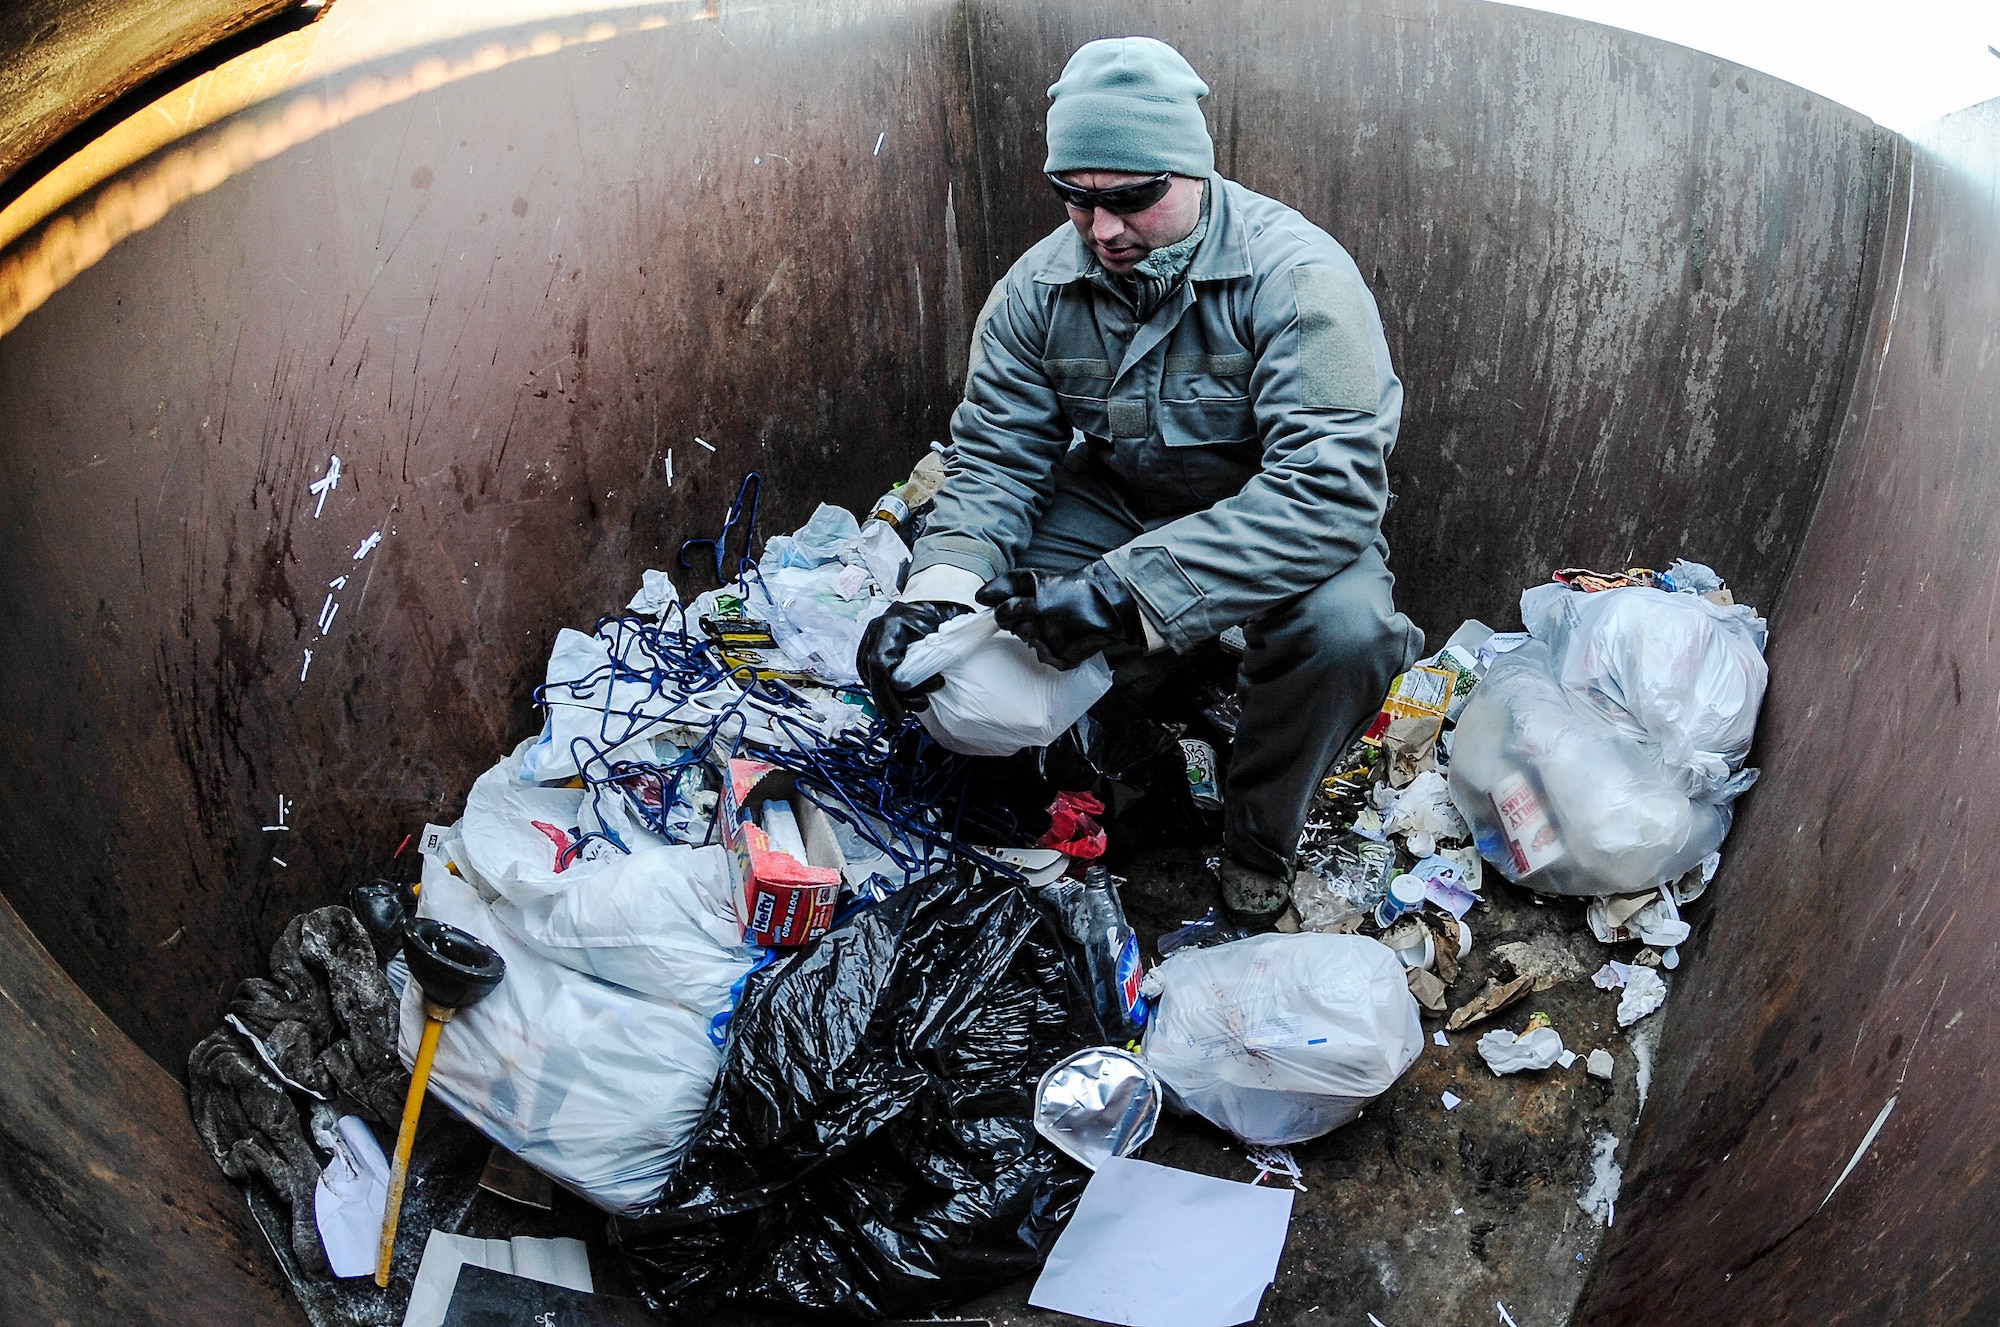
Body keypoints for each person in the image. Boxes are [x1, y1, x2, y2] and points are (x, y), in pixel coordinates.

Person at [860, 36, 1421, 925]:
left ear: (1193, 173)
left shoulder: (1300, 279)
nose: (1103, 231)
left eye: (1131, 201)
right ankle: (1085, 774)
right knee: (987, 618)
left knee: (1347, 633)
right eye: (1076, 201)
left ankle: (1257, 840)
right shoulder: (1037, 290)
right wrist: (935, 595)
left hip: (1275, 513)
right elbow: (998, 458)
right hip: (1120, 497)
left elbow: (1329, 492)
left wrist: (1123, 595)